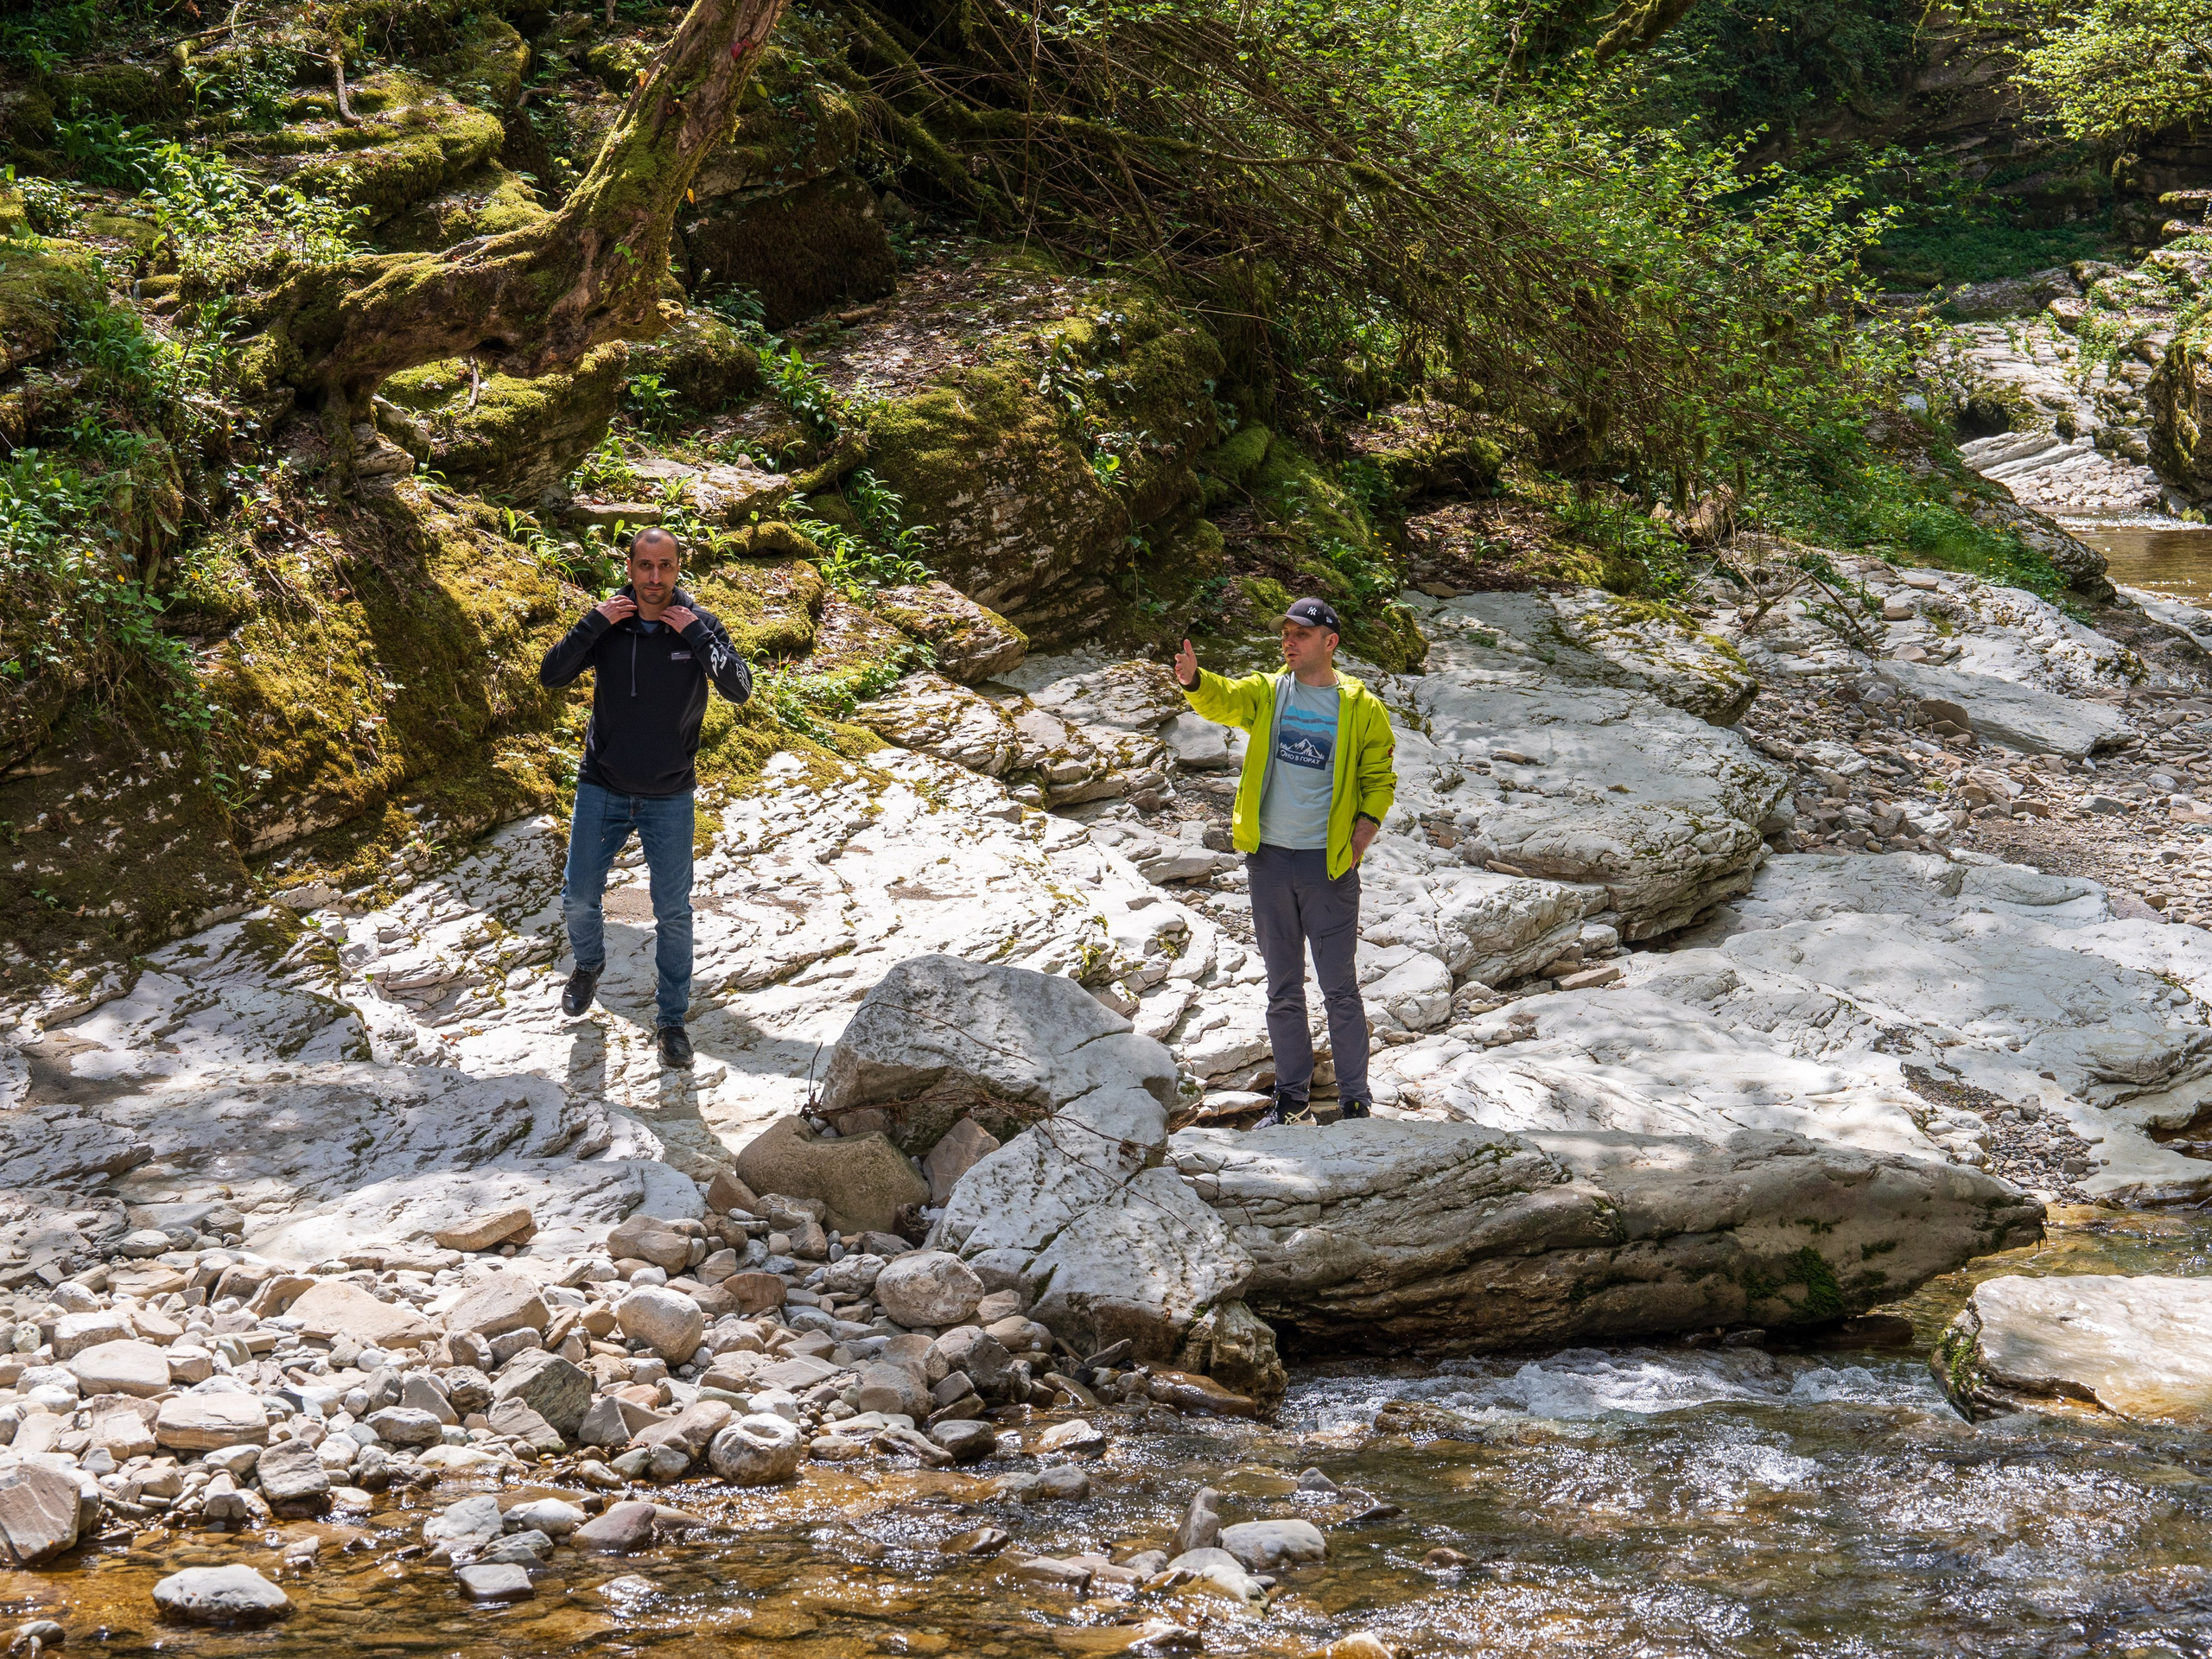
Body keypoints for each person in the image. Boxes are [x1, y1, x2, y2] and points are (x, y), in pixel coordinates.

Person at [1173, 597, 1396, 1126]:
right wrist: (1194, 679)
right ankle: (1292, 1100)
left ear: (1330, 642)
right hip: (1269, 859)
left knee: (1339, 988)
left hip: (1328, 865)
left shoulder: (1361, 708)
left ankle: (1355, 1100)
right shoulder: (1269, 693)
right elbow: (1223, 699)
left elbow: (1379, 779)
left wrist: (1360, 839)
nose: (1288, 642)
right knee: (1282, 986)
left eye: (1300, 633)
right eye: (1285, 634)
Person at [538, 526, 752, 1068]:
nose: (654, 578)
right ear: (629, 568)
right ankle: (588, 965)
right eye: (644, 566)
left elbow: (739, 688)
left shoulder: (700, 626)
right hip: (602, 786)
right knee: (580, 899)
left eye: (665, 567)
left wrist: (700, 637)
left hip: (669, 795)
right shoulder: (608, 622)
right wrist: (594, 624)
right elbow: (551, 675)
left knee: (674, 914)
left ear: (678, 570)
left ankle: (672, 1022)